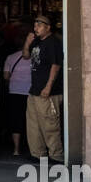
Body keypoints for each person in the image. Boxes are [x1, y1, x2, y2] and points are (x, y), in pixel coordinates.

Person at [26, 15, 65, 164]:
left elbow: (56, 65)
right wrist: (27, 41)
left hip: (48, 91)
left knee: (49, 124)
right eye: (35, 25)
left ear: (48, 27)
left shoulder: (53, 43)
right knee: (33, 123)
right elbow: (25, 55)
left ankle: (56, 155)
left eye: (40, 25)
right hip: (34, 88)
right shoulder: (36, 41)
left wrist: (48, 86)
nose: (36, 28)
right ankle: (38, 153)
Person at [2, 31, 33, 158]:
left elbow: (6, 76)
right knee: (31, 121)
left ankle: (16, 149)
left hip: (14, 92)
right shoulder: (34, 58)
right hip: (30, 93)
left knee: (16, 120)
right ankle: (33, 148)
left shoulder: (10, 57)